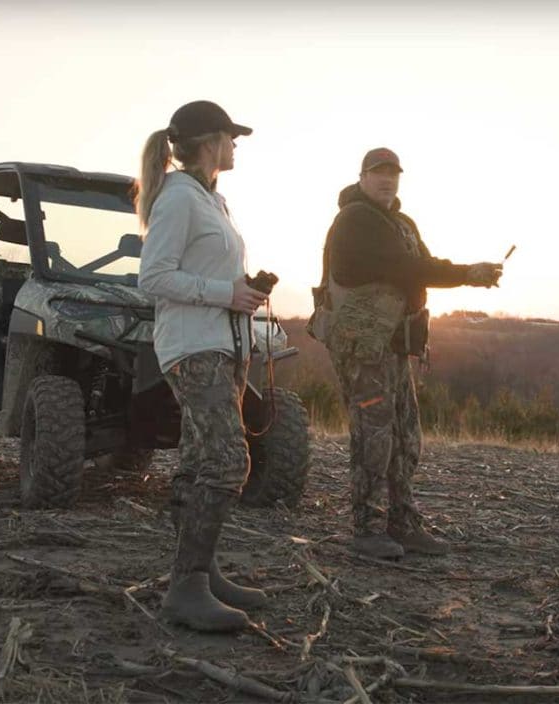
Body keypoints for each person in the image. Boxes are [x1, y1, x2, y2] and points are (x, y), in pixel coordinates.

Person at [311, 147, 503, 560]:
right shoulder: (355, 221)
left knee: (406, 436)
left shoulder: (402, 223)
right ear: (361, 177)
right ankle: (367, 528)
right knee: (374, 436)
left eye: (393, 174)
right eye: (378, 173)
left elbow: (424, 263)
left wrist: (469, 273)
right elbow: (405, 268)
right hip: (363, 347)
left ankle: (402, 522)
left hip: (392, 346)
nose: (387, 180)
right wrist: (467, 274)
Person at [136, 100, 268, 632]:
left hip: (222, 346)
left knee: (197, 461)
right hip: (192, 348)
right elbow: (153, 277)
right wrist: (225, 293)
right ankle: (185, 586)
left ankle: (201, 572)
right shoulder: (177, 199)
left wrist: (241, 295)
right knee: (227, 461)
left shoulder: (212, 199)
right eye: (231, 137)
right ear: (212, 141)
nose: (236, 145)